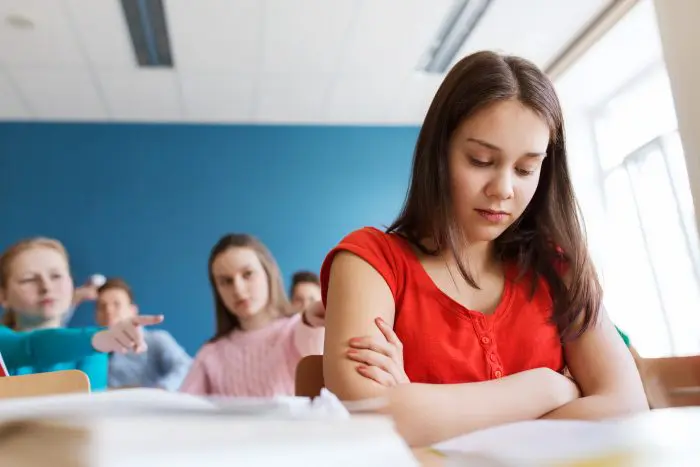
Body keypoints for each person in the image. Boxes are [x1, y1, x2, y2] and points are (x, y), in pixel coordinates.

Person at [320, 51, 648, 447]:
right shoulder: (370, 261)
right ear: (438, 152)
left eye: (526, 169)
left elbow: (627, 407)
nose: (504, 189)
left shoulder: (555, 266)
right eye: (481, 160)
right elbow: (367, 417)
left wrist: (422, 411)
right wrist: (547, 389)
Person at [0, 237, 162, 389]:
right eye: (28, 279)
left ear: (71, 282)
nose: (46, 287)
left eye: (56, 276)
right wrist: (99, 338)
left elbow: (91, 410)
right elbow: (31, 345)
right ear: (3, 295)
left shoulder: (93, 351)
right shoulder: (93, 343)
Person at [180, 234, 325, 397]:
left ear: (268, 273)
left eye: (248, 274)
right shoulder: (210, 355)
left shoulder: (296, 329)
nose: (238, 289)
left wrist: (311, 321)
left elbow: (314, 346)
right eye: (226, 281)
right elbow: (180, 410)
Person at [95, 277, 192, 391]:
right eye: (102, 306)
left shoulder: (156, 340)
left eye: (116, 304)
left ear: (133, 310)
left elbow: (186, 367)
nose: (108, 311)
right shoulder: (92, 351)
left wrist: (159, 391)